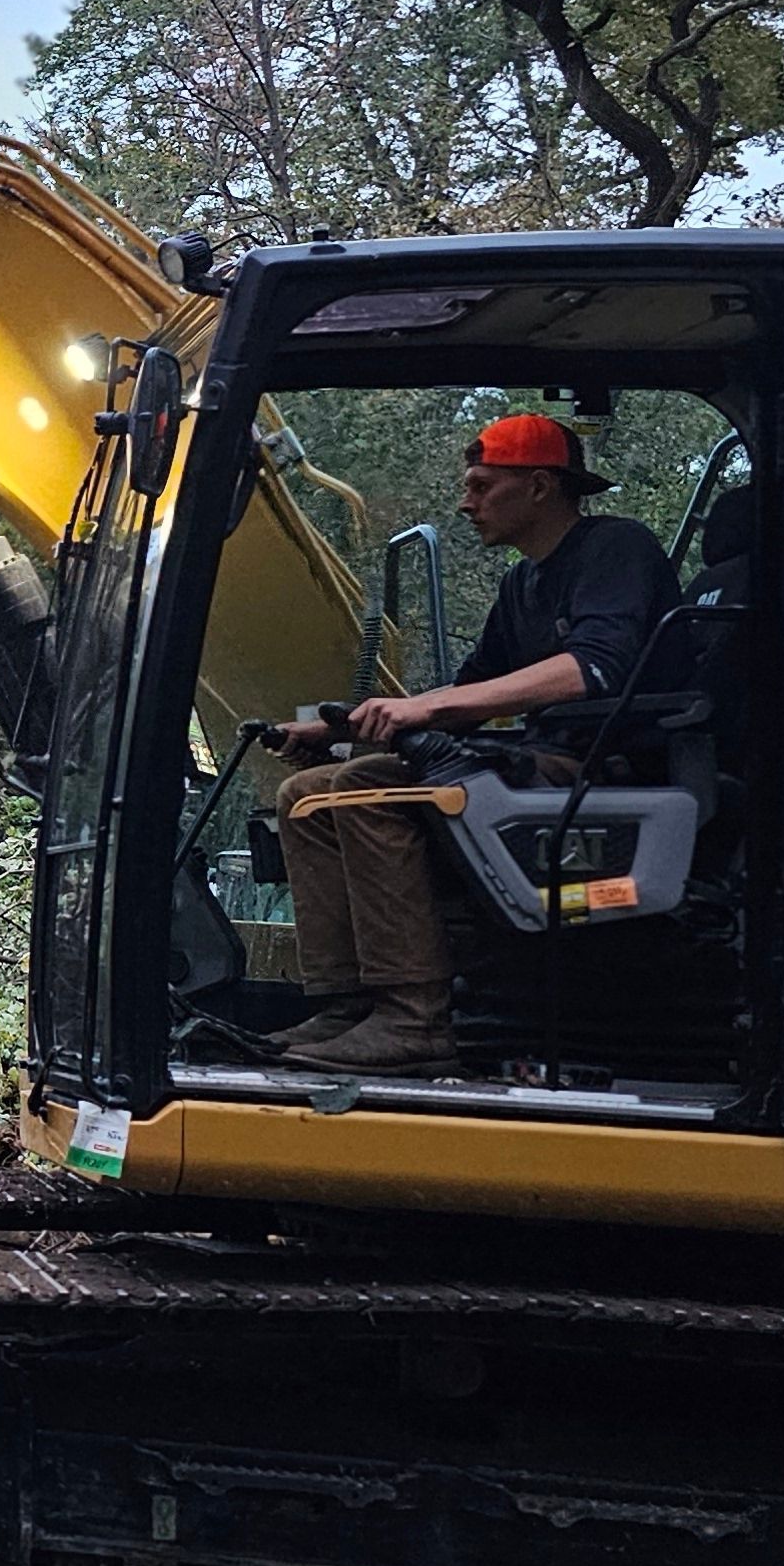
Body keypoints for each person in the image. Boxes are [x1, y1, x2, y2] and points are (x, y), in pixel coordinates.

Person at [263, 413, 679, 1073]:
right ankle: (349, 1002)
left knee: (363, 791)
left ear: (541, 487)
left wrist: (423, 707)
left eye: (483, 486)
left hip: (609, 768)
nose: (466, 503)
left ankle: (415, 1019)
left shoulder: (615, 549)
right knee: (306, 791)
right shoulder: (522, 583)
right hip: (544, 765)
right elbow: (472, 694)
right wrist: (337, 729)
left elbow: (594, 669)